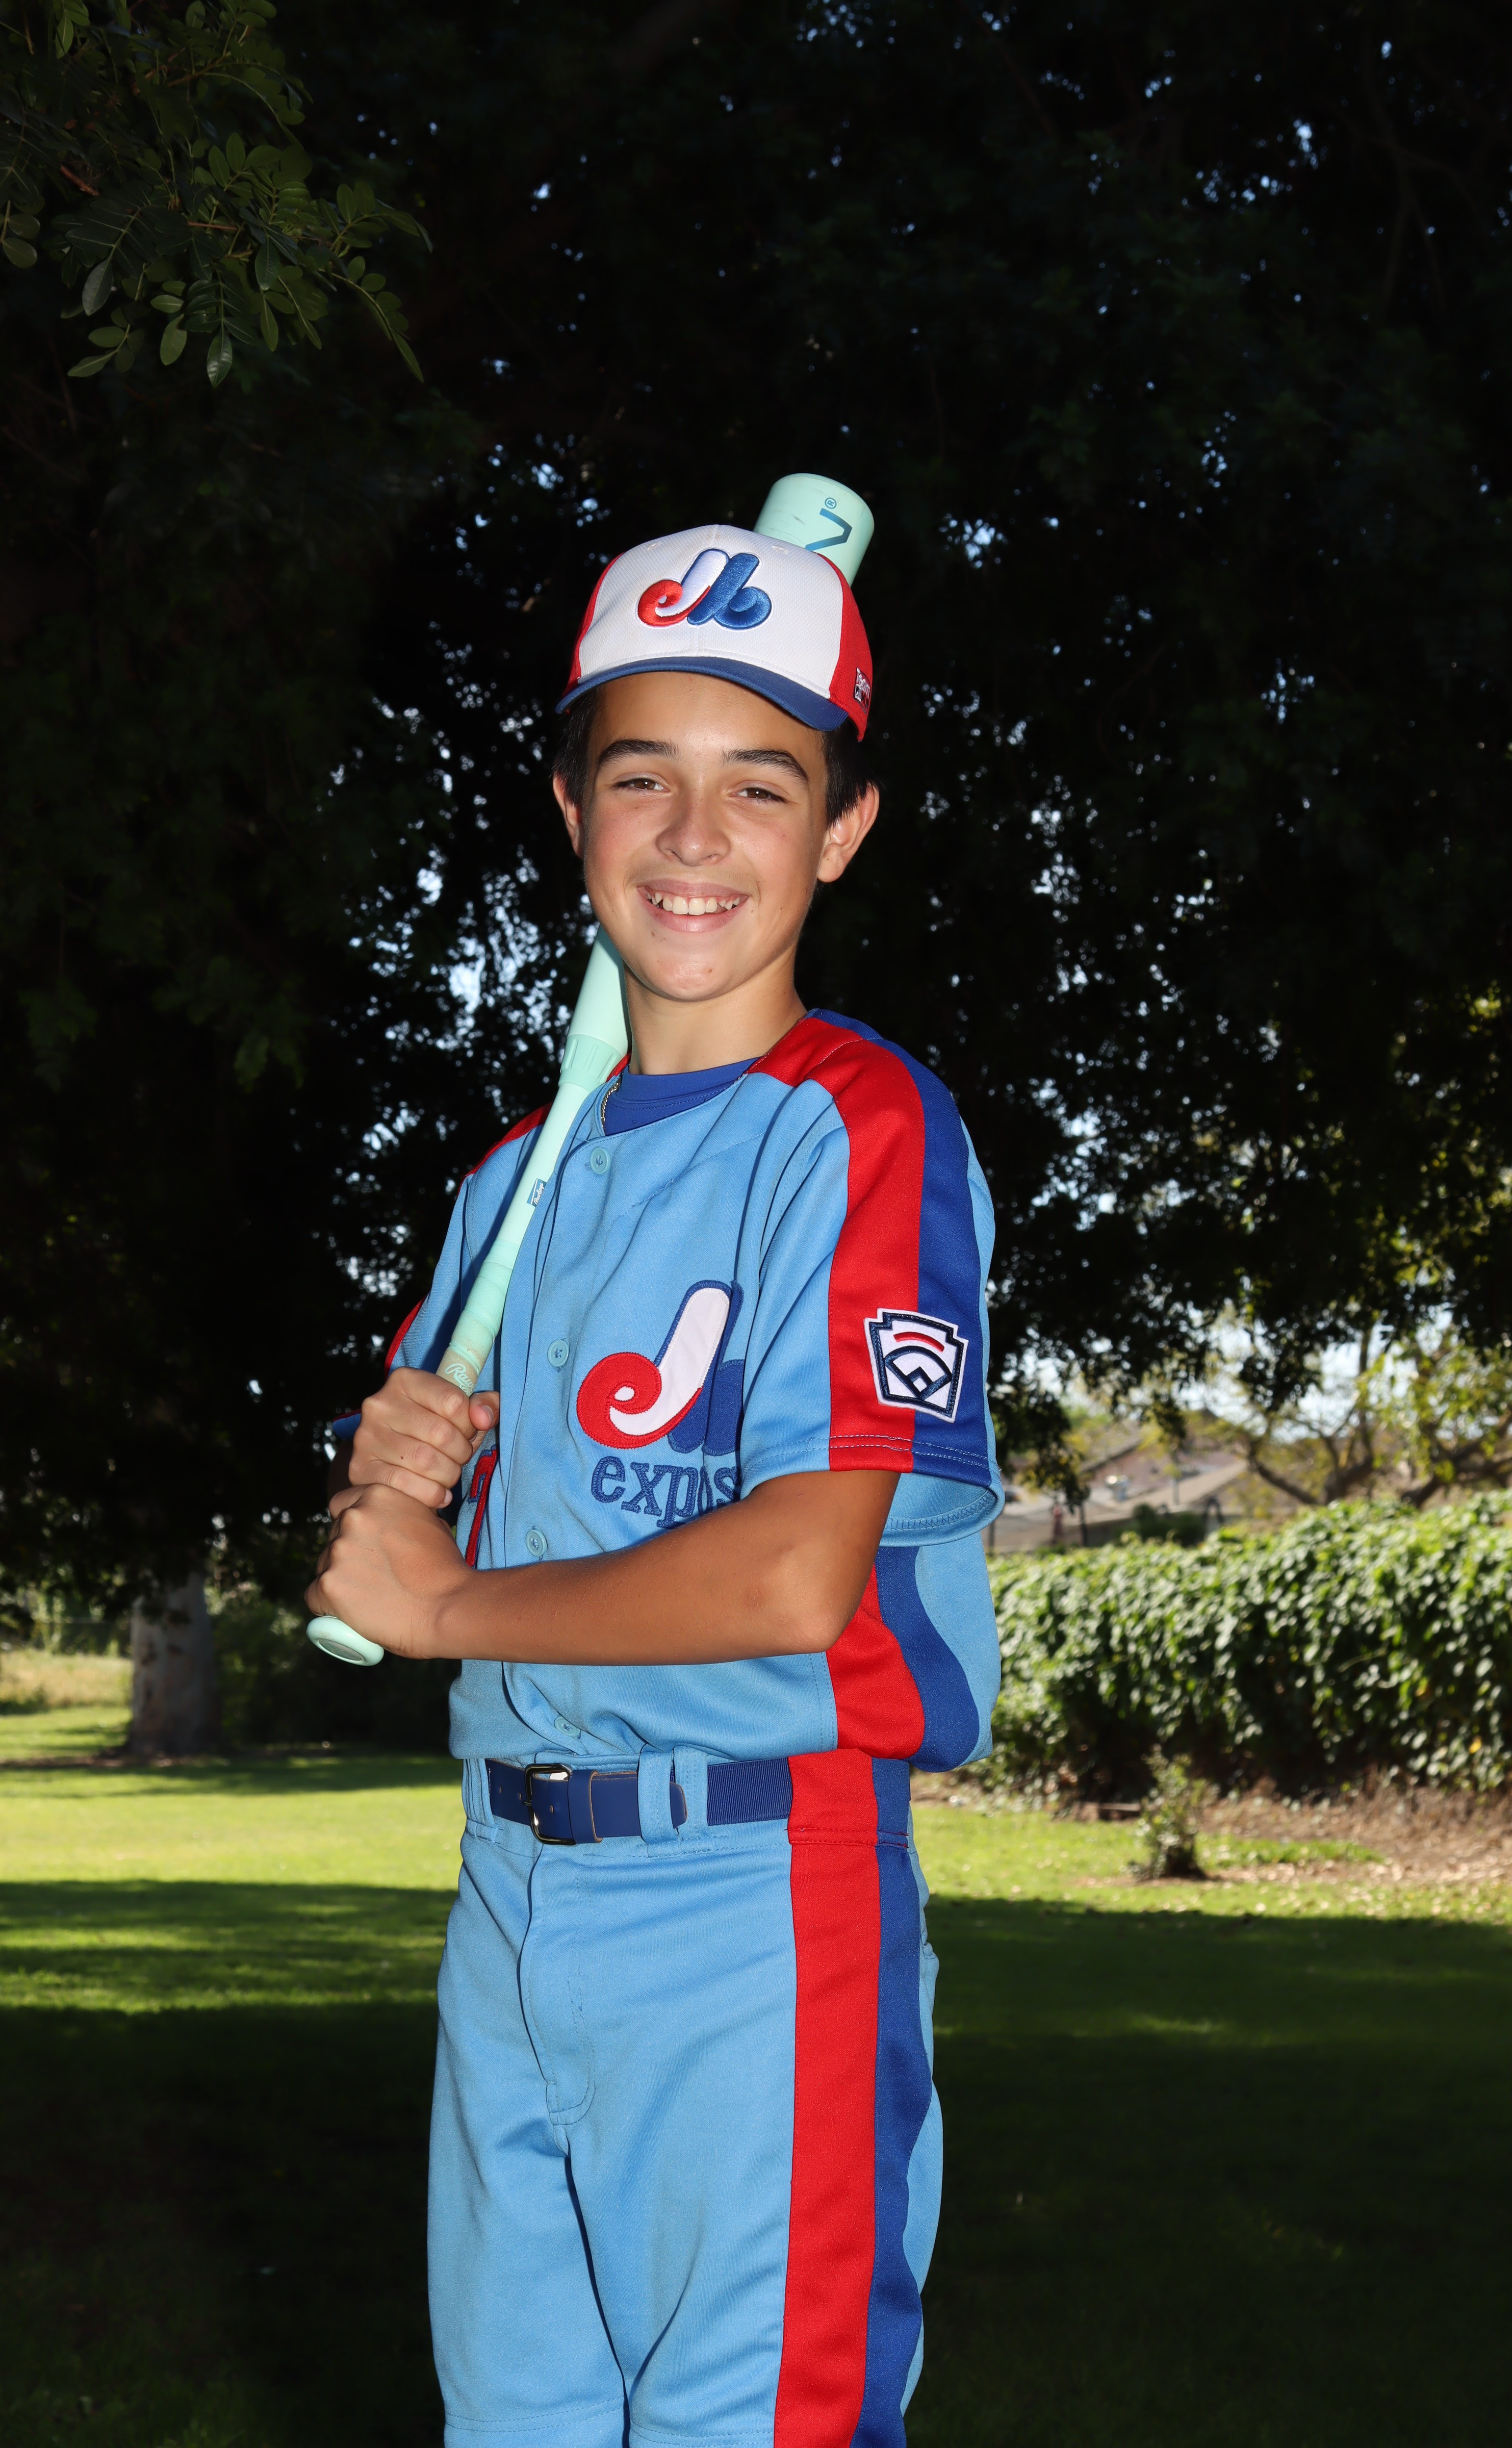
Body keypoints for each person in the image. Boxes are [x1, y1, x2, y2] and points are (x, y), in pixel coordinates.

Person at [308, 513, 1003, 2448]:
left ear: (843, 829)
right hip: (509, 1890)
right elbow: (421, 1550)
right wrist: (393, 1485)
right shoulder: (505, 1186)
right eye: (643, 778)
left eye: (761, 784)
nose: (696, 836)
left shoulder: (860, 1128)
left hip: (754, 1890)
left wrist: (445, 1600)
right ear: (570, 809)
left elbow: (793, 1573)